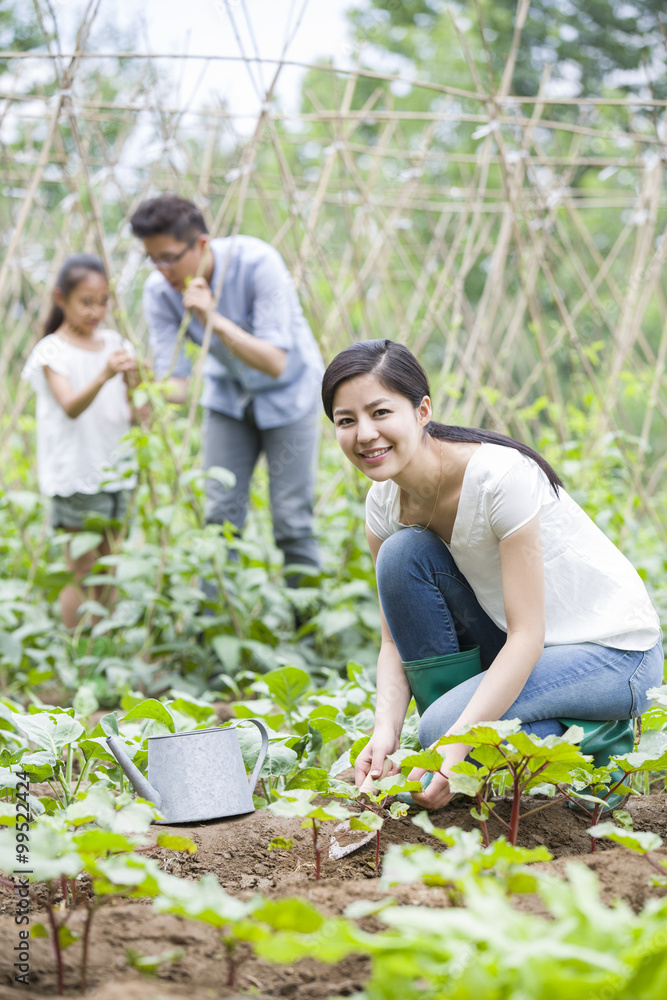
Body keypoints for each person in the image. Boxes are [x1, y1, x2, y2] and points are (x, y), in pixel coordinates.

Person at [321, 339, 663, 810]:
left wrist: (453, 744)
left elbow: (527, 636)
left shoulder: (499, 478)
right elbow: (392, 644)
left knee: (443, 729)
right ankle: (454, 759)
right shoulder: (383, 505)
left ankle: (600, 735)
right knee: (401, 556)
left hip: (613, 653)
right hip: (529, 652)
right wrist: (385, 734)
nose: (364, 434)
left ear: (422, 411)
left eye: (380, 413)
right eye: (346, 421)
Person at [129, 195, 324, 585]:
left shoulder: (257, 263)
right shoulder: (159, 292)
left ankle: (309, 626)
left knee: (291, 518)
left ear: (200, 244)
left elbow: (275, 361)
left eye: (169, 257)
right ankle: (214, 629)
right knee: (219, 517)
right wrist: (140, 383)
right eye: (153, 259)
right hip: (228, 400)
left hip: (290, 396)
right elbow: (179, 387)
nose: (162, 270)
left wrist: (212, 319)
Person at [21, 254, 138, 629]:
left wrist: (136, 383)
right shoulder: (51, 351)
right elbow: (70, 406)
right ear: (61, 298)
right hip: (77, 472)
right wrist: (105, 373)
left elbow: (135, 409)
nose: (96, 310)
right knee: (81, 568)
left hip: (118, 468)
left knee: (109, 562)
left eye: (103, 301)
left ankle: (103, 641)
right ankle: (74, 644)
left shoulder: (116, 344)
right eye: (86, 301)